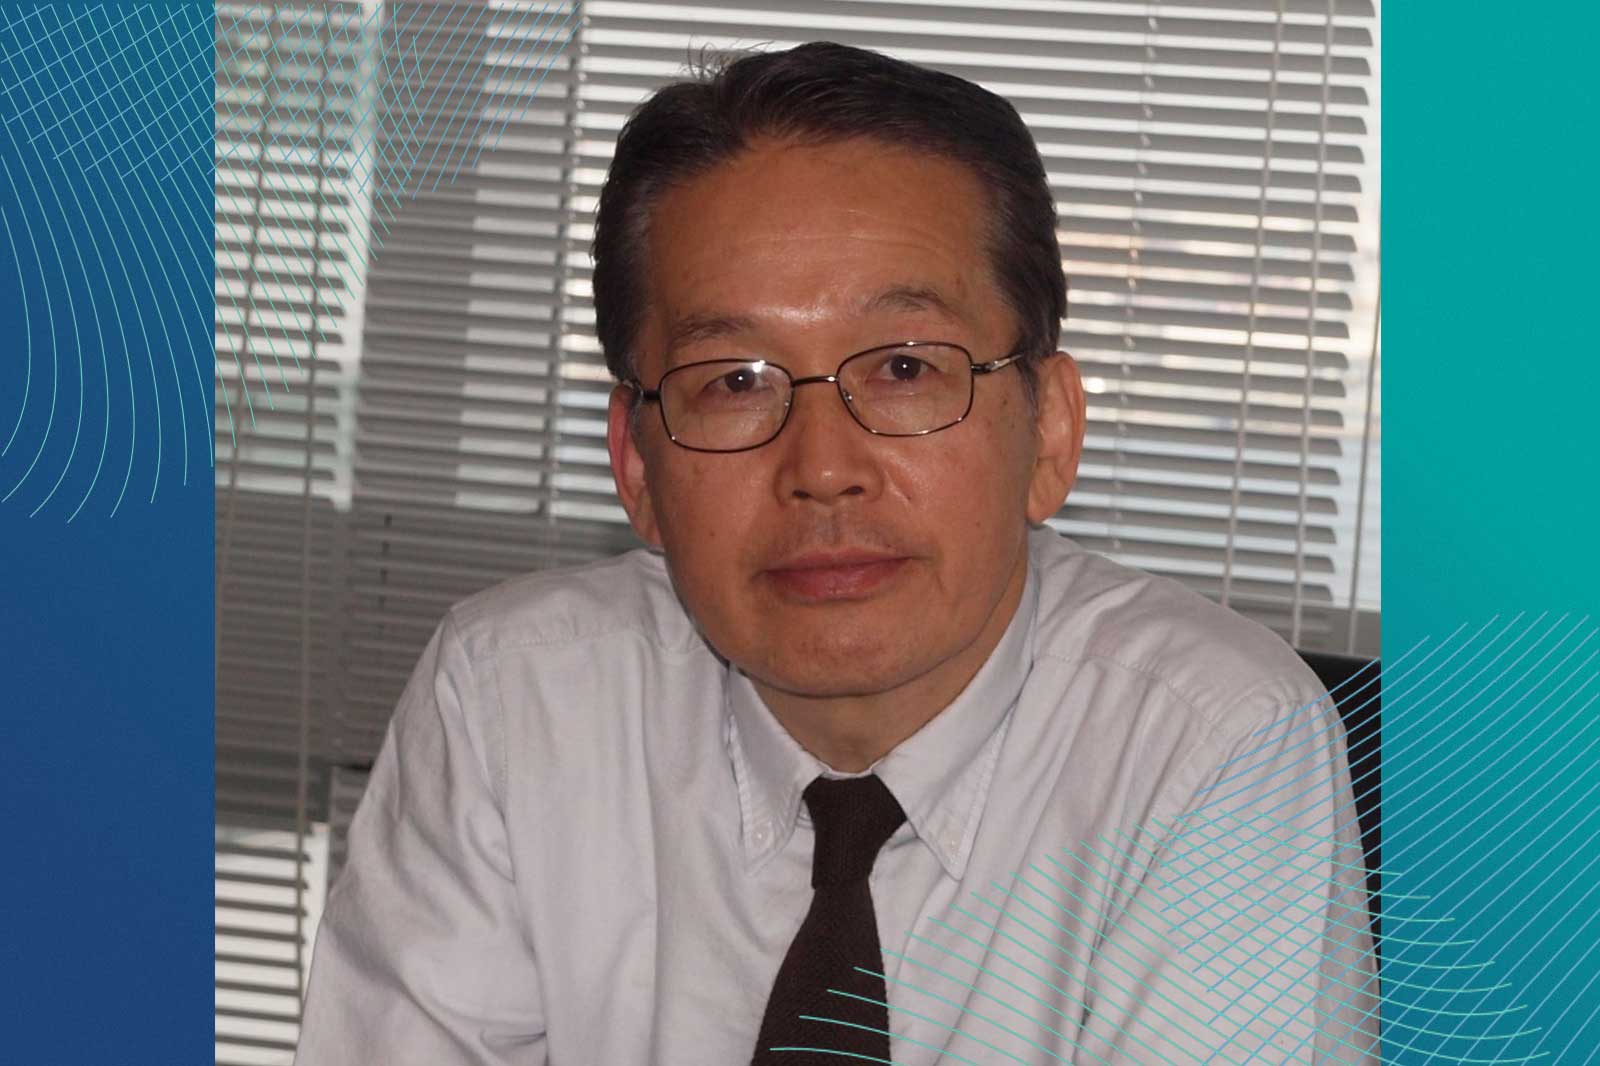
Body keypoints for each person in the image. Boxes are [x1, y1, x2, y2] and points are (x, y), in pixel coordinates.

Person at [296, 41, 1378, 1065]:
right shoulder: (513, 698)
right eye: (733, 381)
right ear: (635, 465)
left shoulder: (1210, 743)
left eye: (905, 367)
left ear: (1048, 430)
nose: (821, 468)